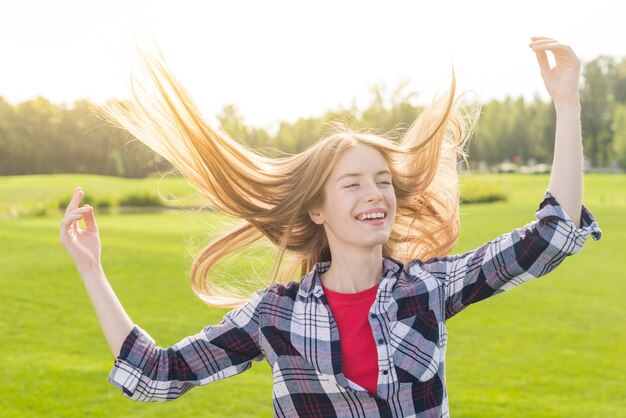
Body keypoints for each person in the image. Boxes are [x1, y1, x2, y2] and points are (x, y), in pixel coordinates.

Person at [59, 37, 602, 417]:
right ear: (317, 210)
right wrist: (91, 270)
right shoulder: (276, 315)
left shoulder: (428, 290)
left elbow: (553, 235)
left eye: (382, 181)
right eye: (352, 184)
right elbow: (155, 375)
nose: (375, 194)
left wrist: (567, 101)